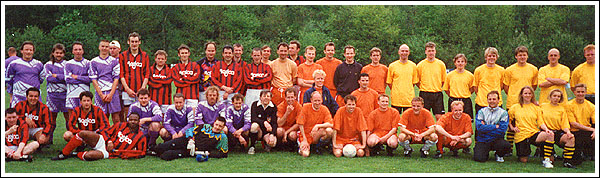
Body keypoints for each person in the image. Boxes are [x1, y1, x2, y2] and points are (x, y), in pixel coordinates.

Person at [51, 112, 147, 161]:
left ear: (139, 122)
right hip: (103, 142)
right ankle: (64, 153)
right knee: (83, 133)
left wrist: (124, 154)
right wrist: (109, 141)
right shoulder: (120, 125)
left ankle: (75, 154)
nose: (133, 122)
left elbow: (141, 153)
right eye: (131, 119)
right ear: (128, 120)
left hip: (110, 153)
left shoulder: (141, 136)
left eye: (135, 120)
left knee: (89, 156)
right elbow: (105, 132)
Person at [509, 86, 555, 168]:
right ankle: (528, 151)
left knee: (550, 135)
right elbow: (508, 120)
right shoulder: (515, 107)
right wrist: (512, 128)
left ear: (532, 95)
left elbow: (541, 122)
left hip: (533, 133)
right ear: (522, 95)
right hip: (521, 135)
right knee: (523, 160)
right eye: (525, 93)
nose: (527, 95)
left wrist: (547, 130)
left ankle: (546, 159)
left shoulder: (536, 108)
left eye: (529, 93)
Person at [502, 46, 538, 150]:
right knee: (511, 126)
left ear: (527, 56)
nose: (522, 57)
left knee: (526, 124)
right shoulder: (509, 69)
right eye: (520, 55)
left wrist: (527, 96)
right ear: (516, 56)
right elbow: (506, 86)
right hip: (513, 102)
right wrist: (515, 95)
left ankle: (526, 144)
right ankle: (509, 148)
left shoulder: (533, 69)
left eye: (524, 55)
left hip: (527, 102)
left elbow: (534, 85)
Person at [152, 116, 228, 161]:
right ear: (214, 123)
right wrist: (190, 140)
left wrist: (206, 153)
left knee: (166, 155)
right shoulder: (205, 126)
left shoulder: (222, 137)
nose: (217, 127)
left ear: (223, 127)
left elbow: (223, 153)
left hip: (193, 151)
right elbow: (189, 130)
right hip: (186, 141)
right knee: (163, 146)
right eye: (216, 124)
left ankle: (157, 153)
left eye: (220, 126)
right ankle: (151, 151)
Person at [540, 89, 577, 168]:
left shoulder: (562, 109)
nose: (556, 98)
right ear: (550, 97)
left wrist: (568, 132)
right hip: (546, 132)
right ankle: (547, 160)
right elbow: (540, 121)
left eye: (558, 96)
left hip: (557, 132)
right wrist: (546, 129)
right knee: (552, 160)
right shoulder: (543, 106)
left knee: (571, 138)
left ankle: (567, 162)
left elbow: (564, 123)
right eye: (554, 96)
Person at [473, 90, 511, 163]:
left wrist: (486, 127)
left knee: (506, 145)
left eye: (494, 99)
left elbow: (502, 130)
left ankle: (499, 154)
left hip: (497, 139)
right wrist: (494, 127)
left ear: (498, 100)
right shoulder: (481, 111)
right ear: (487, 100)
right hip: (483, 140)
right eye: (490, 99)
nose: (492, 101)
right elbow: (479, 128)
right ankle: (485, 153)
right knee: (479, 159)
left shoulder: (503, 113)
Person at [90, 40, 122, 123]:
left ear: (109, 48)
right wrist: (101, 94)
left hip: (112, 92)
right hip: (100, 92)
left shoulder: (114, 61)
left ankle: (116, 135)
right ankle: (103, 135)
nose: (104, 48)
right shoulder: (93, 62)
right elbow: (94, 79)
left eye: (106, 47)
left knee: (116, 117)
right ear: (99, 47)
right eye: (102, 46)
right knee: (102, 117)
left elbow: (116, 78)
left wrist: (111, 94)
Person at [119, 32, 150, 118]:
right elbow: (121, 74)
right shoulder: (123, 55)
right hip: (127, 91)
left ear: (139, 42)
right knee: (128, 114)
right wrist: (127, 89)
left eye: (136, 41)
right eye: (132, 41)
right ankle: (128, 131)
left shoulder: (144, 55)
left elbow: (147, 74)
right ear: (128, 42)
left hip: (141, 90)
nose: (134, 44)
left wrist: (142, 88)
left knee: (142, 113)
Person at [42, 43, 69, 138]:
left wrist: (56, 75)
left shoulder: (67, 64)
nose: (59, 55)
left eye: (61, 53)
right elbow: (49, 78)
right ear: (53, 53)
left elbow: (68, 78)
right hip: (52, 95)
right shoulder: (48, 65)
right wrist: (61, 77)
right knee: (51, 119)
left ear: (63, 54)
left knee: (68, 118)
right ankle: (49, 139)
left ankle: (71, 138)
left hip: (65, 94)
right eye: (57, 52)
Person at [6, 41, 44, 107]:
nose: (28, 52)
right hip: (19, 97)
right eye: (26, 49)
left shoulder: (38, 64)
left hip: (34, 98)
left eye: (30, 50)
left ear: (33, 51)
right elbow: (9, 79)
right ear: (21, 51)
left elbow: (41, 79)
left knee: (36, 116)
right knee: (17, 116)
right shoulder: (14, 64)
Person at [297, 91, 334, 157]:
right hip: (305, 135)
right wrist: (304, 140)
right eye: (315, 100)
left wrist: (317, 126)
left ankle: (318, 147)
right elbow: (300, 124)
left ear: (322, 100)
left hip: (315, 134)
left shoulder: (324, 109)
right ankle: (302, 146)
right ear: (311, 100)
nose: (317, 103)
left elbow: (331, 124)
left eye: (319, 100)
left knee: (329, 131)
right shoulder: (305, 107)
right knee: (305, 154)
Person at [416, 42, 446, 120]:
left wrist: (436, 87)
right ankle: (425, 132)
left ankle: (438, 132)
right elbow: (417, 81)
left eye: (432, 50)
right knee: (423, 117)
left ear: (435, 51)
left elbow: (443, 81)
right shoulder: (420, 65)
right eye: (429, 51)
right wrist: (425, 87)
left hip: (437, 94)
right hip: (424, 94)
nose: (431, 53)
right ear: (425, 52)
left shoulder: (441, 64)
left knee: (439, 117)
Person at [566, 84, 595, 161]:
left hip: (586, 131)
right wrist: (592, 130)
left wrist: (595, 131)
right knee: (576, 160)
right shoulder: (569, 105)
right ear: (574, 92)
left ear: (586, 92)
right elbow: (573, 124)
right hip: (574, 131)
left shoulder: (591, 106)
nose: (580, 94)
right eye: (578, 92)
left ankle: (591, 153)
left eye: (582, 92)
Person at [386, 44, 419, 113]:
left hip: (409, 100)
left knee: (408, 122)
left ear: (409, 53)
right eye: (402, 51)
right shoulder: (392, 66)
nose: (404, 53)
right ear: (399, 52)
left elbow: (414, 83)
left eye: (406, 51)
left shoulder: (413, 66)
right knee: (396, 121)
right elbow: (389, 83)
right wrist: (396, 90)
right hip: (396, 99)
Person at [473, 47, 505, 115]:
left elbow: (501, 86)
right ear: (486, 57)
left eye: (494, 56)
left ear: (496, 57)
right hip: (482, 103)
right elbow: (475, 87)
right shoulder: (478, 70)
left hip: (497, 103)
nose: (491, 58)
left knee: (497, 125)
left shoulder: (501, 70)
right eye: (489, 56)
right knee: (481, 125)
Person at [442, 54, 475, 120]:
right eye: (458, 61)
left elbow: (472, 88)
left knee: (467, 120)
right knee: (452, 120)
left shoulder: (470, 75)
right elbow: (446, 89)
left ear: (465, 63)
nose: (460, 63)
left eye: (462, 61)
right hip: (453, 100)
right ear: (455, 63)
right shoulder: (450, 75)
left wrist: (465, 94)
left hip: (466, 100)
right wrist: (453, 96)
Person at [172, 44, 202, 109]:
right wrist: (190, 79)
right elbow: (177, 83)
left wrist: (183, 78)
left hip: (193, 96)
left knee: (193, 117)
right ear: (179, 54)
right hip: (180, 98)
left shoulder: (195, 65)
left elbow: (196, 79)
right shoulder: (175, 67)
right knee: (180, 117)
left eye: (186, 53)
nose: (184, 55)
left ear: (189, 54)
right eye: (182, 53)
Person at [65, 41, 91, 111]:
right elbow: (68, 80)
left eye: (80, 49)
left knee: (84, 118)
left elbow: (89, 79)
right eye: (76, 50)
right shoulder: (68, 64)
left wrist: (77, 77)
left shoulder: (88, 63)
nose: (78, 51)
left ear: (83, 51)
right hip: (72, 94)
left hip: (84, 95)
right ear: (72, 51)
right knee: (71, 119)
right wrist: (83, 78)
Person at [276, 87, 302, 151]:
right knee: (279, 131)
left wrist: (287, 132)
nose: (290, 99)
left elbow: (298, 123)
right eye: (288, 97)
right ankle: (279, 145)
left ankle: (291, 146)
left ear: (295, 97)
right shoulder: (281, 106)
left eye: (292, 97)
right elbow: (279, 123)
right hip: (282, 128)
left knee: (292, 135)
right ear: (285, 97)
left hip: (292, 129)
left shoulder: (299, 107)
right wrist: (287, 113)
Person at [108, 40, 125, 120]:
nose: (112, 50)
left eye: (114, 48)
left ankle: (121, 129)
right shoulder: (106, 60)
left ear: (119, 49)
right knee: (107, 111)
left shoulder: (123, 60)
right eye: (110, 48)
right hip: (108, 88)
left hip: (120, 88)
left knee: (120, 111)